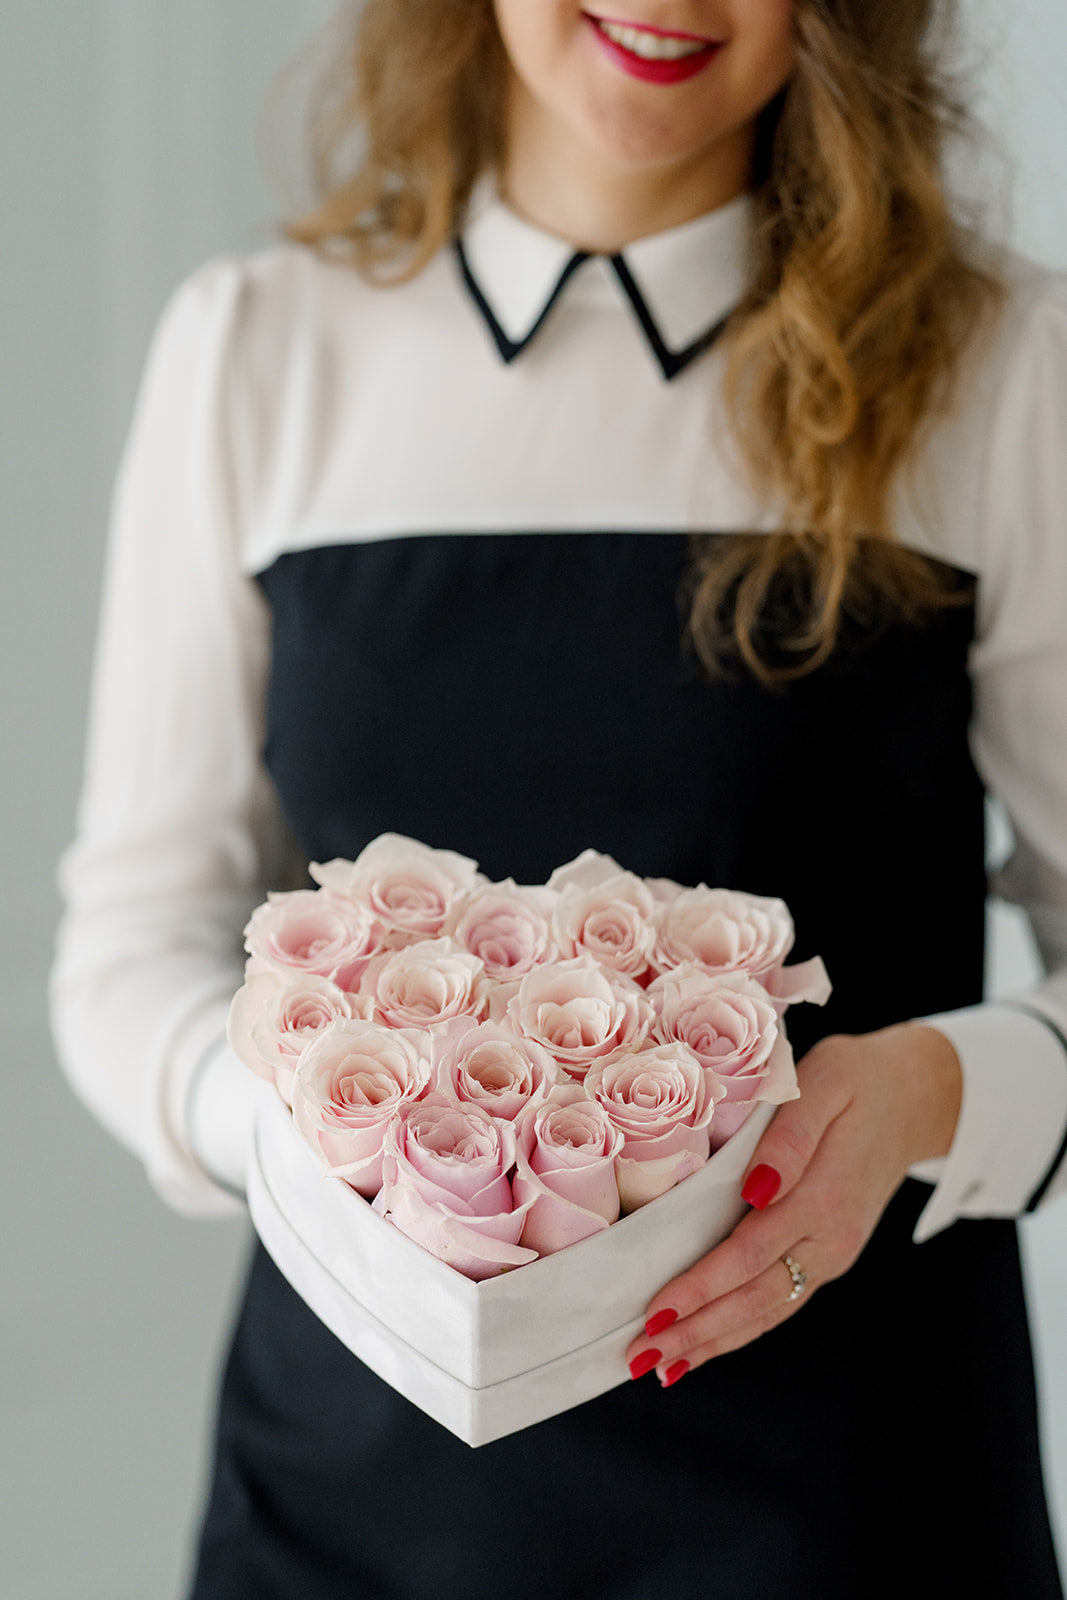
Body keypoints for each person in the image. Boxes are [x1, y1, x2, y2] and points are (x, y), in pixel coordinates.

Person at [51, 1, 1067, 1595]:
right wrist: (297, 1135)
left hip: (848, 1507)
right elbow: (130, 936)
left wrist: (930, 1094)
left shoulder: (1006, 374)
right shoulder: (258, 349)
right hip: (343, 1518)